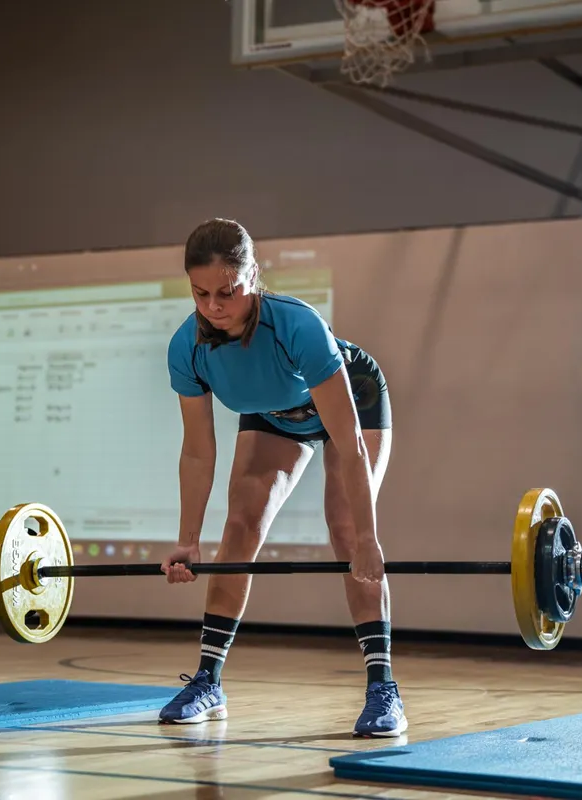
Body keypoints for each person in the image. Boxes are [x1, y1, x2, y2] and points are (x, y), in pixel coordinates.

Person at [158, 218, 405, 738]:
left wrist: (368, 539)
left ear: (254, 275)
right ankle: (208, 680)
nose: (214, 306)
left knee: (344, 532)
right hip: (274, 414)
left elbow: (352, 443)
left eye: (227, 291)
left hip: (350, 399)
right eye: (200, 293)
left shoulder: (297, 326)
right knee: (241, 528)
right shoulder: (187, 346)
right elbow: (199, 452)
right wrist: (186, 541)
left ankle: (383, 687)